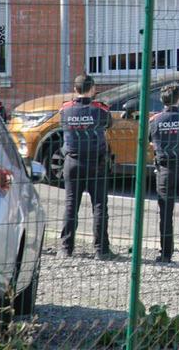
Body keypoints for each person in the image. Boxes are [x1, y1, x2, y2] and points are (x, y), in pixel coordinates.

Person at [59, 74, 114, 259]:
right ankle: (101, 250)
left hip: (72, 162)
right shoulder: (100, 110)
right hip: (96, 163)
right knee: (99, 206)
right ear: (92, 89)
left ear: (75, 89)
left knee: (71, 204)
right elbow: (108, 124)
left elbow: (62, 126)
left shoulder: (65, 110)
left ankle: (66, 248)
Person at [148, 83, 179, 264]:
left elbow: (150, 139)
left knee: (166, 214)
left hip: (165, 170)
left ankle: (166, 254)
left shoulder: (155, 120)